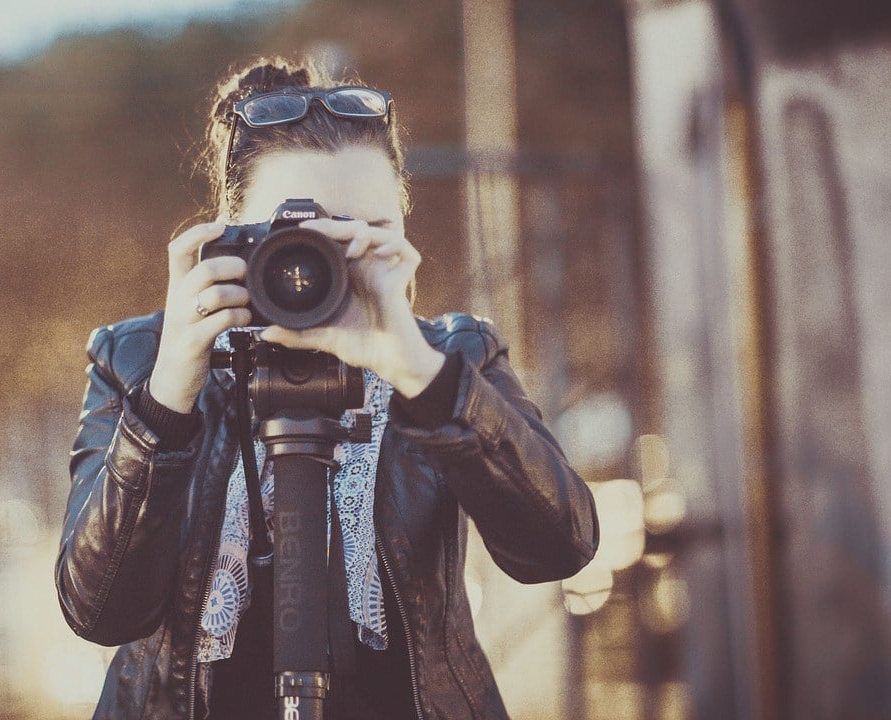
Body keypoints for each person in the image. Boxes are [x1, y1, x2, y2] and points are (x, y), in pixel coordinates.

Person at [56, 57, 599, 720]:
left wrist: (419, 376)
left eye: (364, 235)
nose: (324, 266)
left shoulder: (451, 358)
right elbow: (98, 609)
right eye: (297, 234)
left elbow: (560, 548)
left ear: (403, 234)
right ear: (229, 236)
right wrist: (167, 396)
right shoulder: (138, 360)